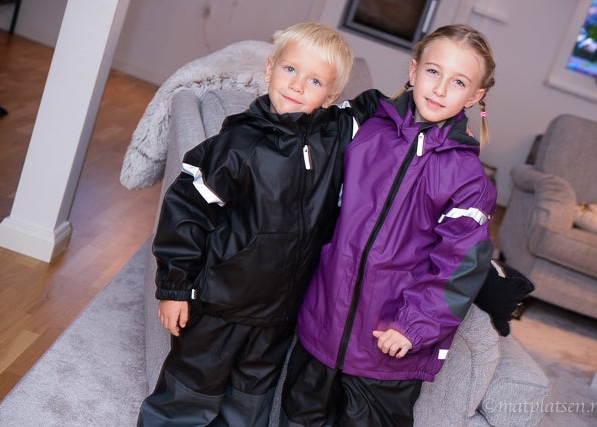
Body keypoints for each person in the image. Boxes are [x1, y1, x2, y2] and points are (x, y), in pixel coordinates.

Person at [137, 22, 381, 427]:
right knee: (189, 393)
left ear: (330, 96)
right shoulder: (239, 143)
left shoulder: (337, 134)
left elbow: (380, 108)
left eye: (315, 80)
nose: (297, 85)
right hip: (220, 305)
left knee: (248, 404)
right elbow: (186, 211)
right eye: (290, 69)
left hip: (279, 315)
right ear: (270, 68)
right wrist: (175, 286)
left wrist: (428, 93)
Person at [280, 24, 498, 427]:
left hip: (388, 348)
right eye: (433, 72)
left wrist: (414, 325)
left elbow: (460, 267)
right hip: (321, 325)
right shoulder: (368, 128)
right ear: (414, 71)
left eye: (458, 82)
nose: (440, 89)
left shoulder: (468, 181)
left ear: (474, 96)